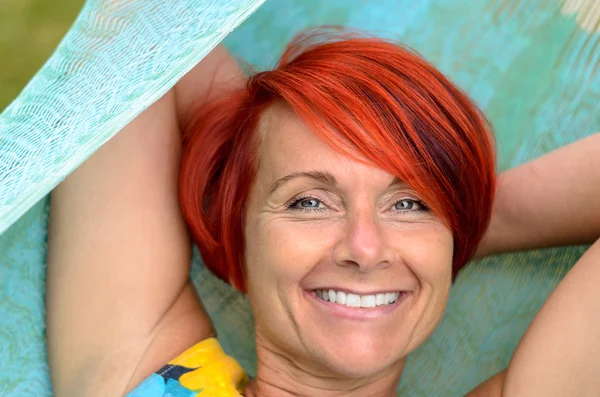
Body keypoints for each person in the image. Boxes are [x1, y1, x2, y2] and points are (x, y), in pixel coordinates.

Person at [46, 30, 600, 397]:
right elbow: (131, 32)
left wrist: (466, 220)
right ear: (238, 240)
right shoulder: (143, 371)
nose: (365, 247)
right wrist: (237, 146)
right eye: (308, 202)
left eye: (410, 202)